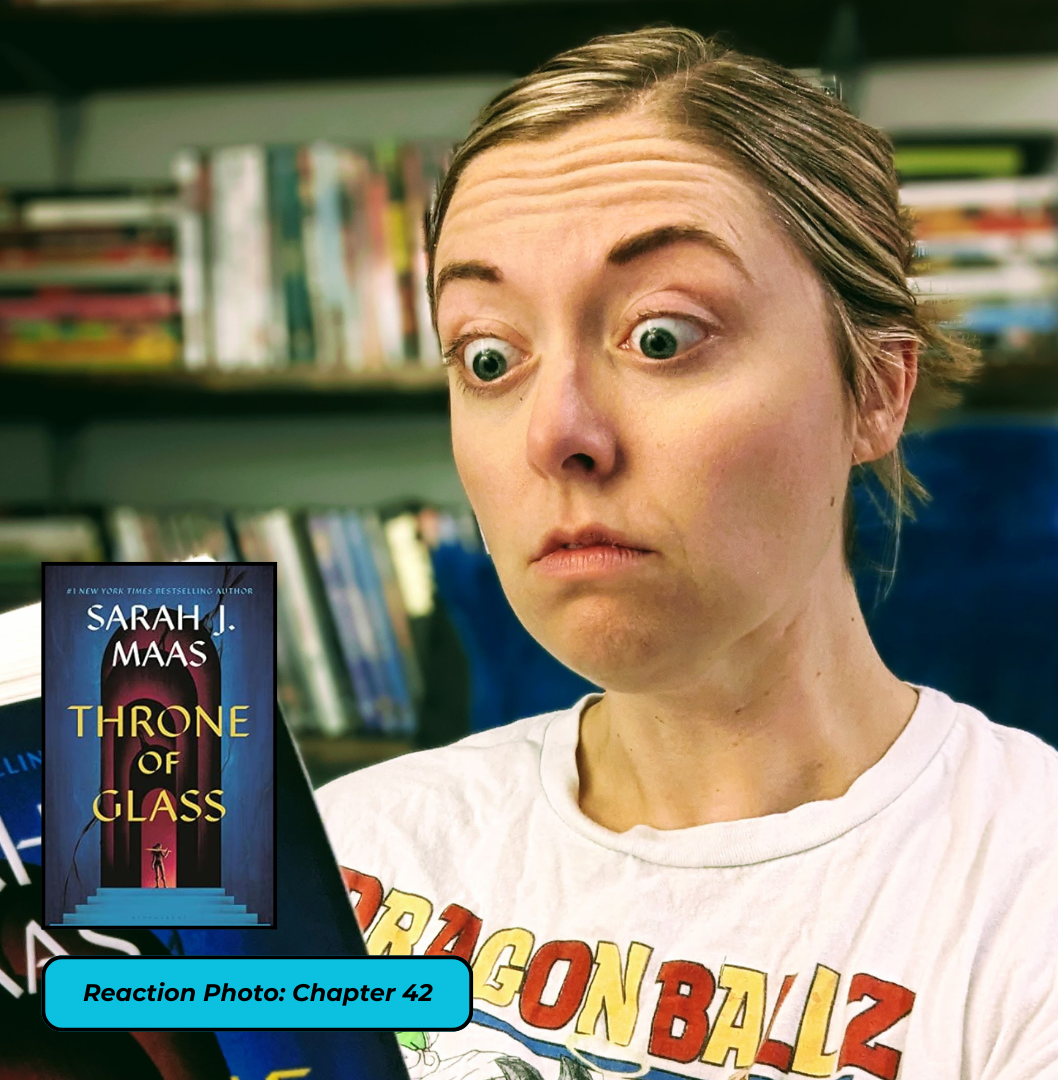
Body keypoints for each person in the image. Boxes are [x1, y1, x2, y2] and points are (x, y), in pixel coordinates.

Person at [316, 28, 1058, 1080]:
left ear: (877, 389)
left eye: (662, 336)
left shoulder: (1028, 900)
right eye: (488, 357)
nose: (556, 434)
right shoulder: (337, 860)